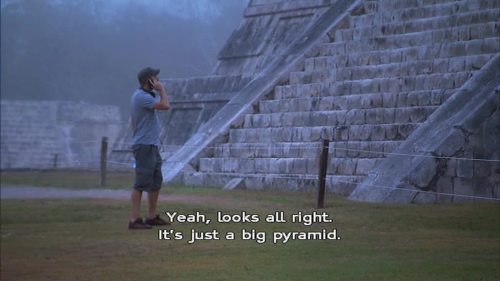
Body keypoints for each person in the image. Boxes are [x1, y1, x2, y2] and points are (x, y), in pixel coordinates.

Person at [128, 67, 170, 229]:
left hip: (151, 144)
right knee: (140, 183)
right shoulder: (141, 97)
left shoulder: (144, 96)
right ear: (148, 80)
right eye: (156, 79)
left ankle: (151, 217)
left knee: (155, 183)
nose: (158, 81)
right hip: (144, 145)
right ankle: (134, 219)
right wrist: (162, 90)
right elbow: (166, 105)